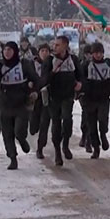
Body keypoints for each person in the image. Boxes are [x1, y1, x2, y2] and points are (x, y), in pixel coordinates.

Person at [38, 35, 82, 166]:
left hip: (68, 95)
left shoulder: (73, 59)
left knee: (67, 120)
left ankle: (66, 144)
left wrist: (80, 84)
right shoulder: (49, 60)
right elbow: (43, 80)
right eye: (54, 44)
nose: (54, 47)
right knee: (56, 123)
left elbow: (80, 75)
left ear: (65, 46)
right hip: (54, 96)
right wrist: (53, 72)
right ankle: (57, 151)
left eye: (57, 45)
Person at [0, 42, 40, 170]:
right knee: (7, 134)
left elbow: (36, 79)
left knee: (19, 130)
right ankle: (12, 157)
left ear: (15, 51)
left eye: (10, 50)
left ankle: (22, 140)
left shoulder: (24, 64)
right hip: (5, 104)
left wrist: (33, 89)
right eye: (5, 50)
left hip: (21, 103)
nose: (7, 52)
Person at [80, 42, 110, 159]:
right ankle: (96, 148)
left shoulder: (108, 64)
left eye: (100, 53)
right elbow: (80, 78)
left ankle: (104, 134)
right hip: (90, 98)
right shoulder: (86, 65)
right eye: (96, 53)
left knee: (102, 119)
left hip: (103, 98)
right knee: (91, 125)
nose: (98, 55)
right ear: (92, 54)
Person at [29, 43, 52, 159]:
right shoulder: (32, 64)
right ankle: (33, 128)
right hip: (35, 97)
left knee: (45, 123)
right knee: (34, 124)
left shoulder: (53, 63)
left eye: (47, 51)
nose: (44, 53)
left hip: (48, 97)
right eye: (42, 51)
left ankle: (40, 148)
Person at [78, 43, 93, 152]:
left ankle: (89, 139)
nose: (89, 56)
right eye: (87, 54)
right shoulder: (82, 65)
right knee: (86, 115)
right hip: (84, 94)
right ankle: (85, 137)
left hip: (95, 94)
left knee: (92, 118)